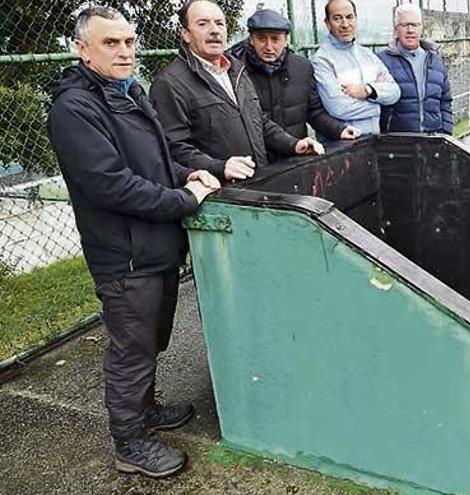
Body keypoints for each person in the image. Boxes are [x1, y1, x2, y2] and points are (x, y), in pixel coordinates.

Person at [47, 6, 220, 478]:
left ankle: (144, 411)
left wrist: (188, 173)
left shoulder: (128, 92)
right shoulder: (76, 109)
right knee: (131, 350)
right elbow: (111, 184)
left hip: (155, 247)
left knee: (151, 339)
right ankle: (129, 444)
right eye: (111, 43)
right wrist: (185, 198)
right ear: (82, 50)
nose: (124, 52)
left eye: (128, 42)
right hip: (125, 257)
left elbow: (158, 160)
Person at [150, 0, 323, 183]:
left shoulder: (236, 70)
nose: (214, 30)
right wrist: (219, 167)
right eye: (202, 24)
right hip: (220, 196)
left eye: (219, 23)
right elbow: (174, 147)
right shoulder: (169, 83)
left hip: (257, 182)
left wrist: (294, 144)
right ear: (185, 33)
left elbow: (259, 121)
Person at [227, 9, 361, 152]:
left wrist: (339, 130)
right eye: (262, 39)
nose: (269, 47)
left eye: (275, 39)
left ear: (286, 41)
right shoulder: (237, 73)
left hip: (296, 156)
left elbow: (314, 112)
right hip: (258, 160)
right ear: (251, 40)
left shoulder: (302, 68)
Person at [311, 0, 400, 138]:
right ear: (327, 23)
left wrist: (368, 91)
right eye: (337, 18)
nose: (345, 24)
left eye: (349, 17)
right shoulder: (322, 60)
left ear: (356, 19)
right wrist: (380, 106)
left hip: (373, 141)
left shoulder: (368, 55)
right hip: (340, 146)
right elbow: (339, 108)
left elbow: (395, 92)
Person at [377, 4, 453, 135]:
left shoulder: (436, 61)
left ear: (421, 28)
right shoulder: (381, 61)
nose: (410, 30)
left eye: (415, 25)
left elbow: (445, 101)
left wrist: (445, 132)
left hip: (433, 141)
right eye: (405, 25)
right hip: (396, 143)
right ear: (396, 29)